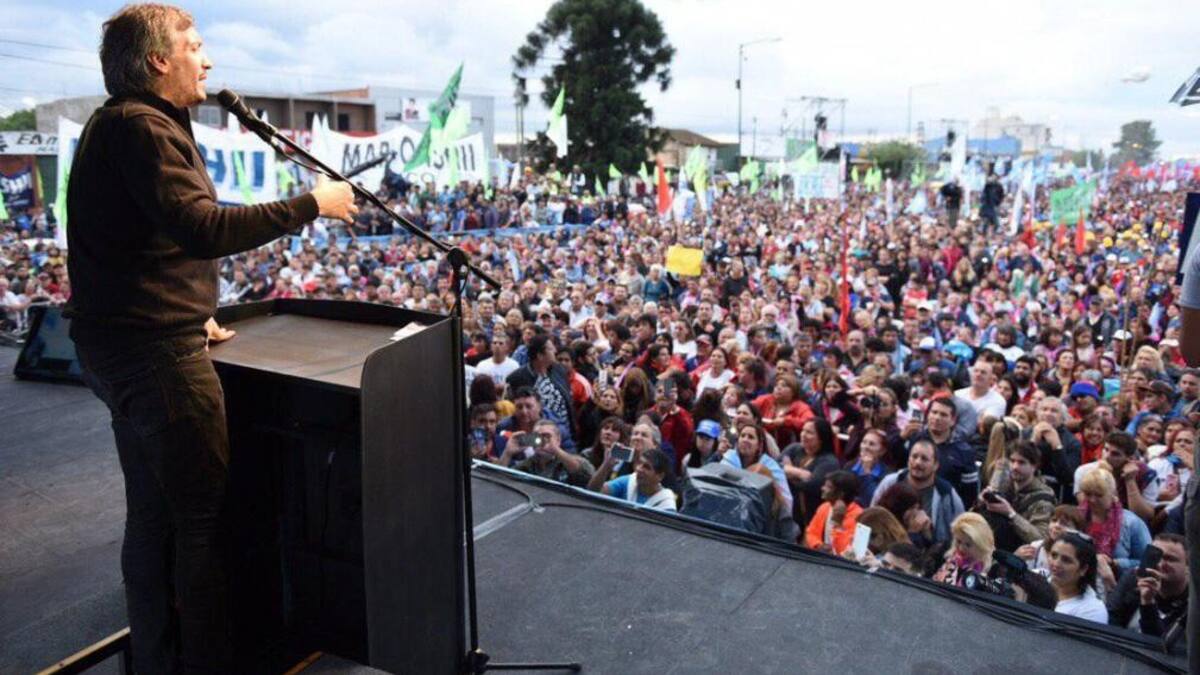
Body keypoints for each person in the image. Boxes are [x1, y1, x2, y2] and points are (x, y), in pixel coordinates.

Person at [63, 5, 357, 671]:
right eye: (194, 45)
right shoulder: (142, 127)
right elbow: (201, 226)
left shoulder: (122, 126)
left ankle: (158, 658)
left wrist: (187, 306)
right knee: (202, 526)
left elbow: (139, 243)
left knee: (152, 516)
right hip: (155, 356)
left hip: (126, 341)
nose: (209, 59)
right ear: (159, 61)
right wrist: (312, 204)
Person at [872, 440, 965, 546]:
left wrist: (928, 533)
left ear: (936, 465)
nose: (918, 462)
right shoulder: (890, 482)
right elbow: (872, 515)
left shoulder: (947, 494)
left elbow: (958, 534)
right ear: (908, 460)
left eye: (924, 459)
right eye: (914, 457)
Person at [1106, 533, 1189, 649]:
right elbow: (1110, 625)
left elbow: (1163, 649)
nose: (1160, 564)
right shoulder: (1133, 578)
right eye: (1156, 556)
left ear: (1188, 567)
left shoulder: (1193, 600)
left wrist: (1148, 602)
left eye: (1170, 559)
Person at [978, 440, 1058, 552]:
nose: (1015, 466)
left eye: (1021, 462)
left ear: (1034, 466)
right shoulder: (1004, 485)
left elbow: (1041, 538)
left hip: (1021, 554)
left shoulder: (1044, 498)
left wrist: (1011, 514)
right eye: (1012, 461)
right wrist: (982, 502)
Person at [1077, 465, 1151, 577]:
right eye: (1088, 494)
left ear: (1112, 494)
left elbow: (1148, 562)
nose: (1092, 500)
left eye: (1099, 495)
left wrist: (1115, 563)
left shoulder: (1131, 523)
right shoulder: (1076, 516)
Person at [507, 334, 577, 450]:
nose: (555, 350)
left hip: (564, 434)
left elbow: (568, 402)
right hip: (534, 439)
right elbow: (519, 415)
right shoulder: (517, 378)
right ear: (540, 355)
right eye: (550, 348)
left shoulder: (559, 370)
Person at [782, 418, 841, 526]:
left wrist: (786, 472)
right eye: (803, 430)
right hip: (786, 510)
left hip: (809, 516)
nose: (803, 435)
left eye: (809, 432)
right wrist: (798, 473)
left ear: (821, 438)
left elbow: (812, 485)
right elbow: (774, 467)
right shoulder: (794, 448)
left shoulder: (829, 462)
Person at [509, 419, 595, 487]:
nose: (542, 441)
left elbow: (588, 477)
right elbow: (502, 479)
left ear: (558, 440)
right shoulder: (527, 464)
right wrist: (507, 453)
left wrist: (556, 450)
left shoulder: (571, 461)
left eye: (547, 436)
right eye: (536, 436)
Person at [1049, 532, 1108, 623]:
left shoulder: (1092, 611)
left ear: (1083, 569)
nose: (1056, 564)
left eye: (1066, 560)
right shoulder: (1037, 578)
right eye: (1054, 555)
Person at [804, 470, 863, 555]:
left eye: (828, 487)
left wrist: (838, 524)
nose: (822, 488)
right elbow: (810, 533)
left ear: (840, 494)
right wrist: (819, 545)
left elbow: (845, 551)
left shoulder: (859, 516)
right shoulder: (824, 507)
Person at [600, 448, 677, 511]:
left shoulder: (666, 505)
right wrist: (605, 466)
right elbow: (596, 491)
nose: (639, 469)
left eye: (646, 467)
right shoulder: (628, 482)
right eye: (639, 463)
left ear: (660, 476)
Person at [933, 513, 995, 588]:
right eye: (958, 541)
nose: (961, 548)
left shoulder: (990, 572)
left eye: (968, 545)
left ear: (981, 546)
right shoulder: (950, 560)